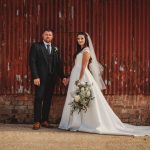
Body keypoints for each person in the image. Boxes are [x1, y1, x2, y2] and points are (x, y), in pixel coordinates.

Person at [59, 32, 150, 136]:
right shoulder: (79, 51)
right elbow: (76, 67)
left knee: (82, 98)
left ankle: (83, 122)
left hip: (82, 76)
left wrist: (79, 80)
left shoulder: (86, 50)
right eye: (78, 38)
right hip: (76, 74)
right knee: (74, 98)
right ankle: (75, 122)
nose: (79, 40)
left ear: (86, 40)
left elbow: (83, 68)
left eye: (82, 38)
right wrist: (70, 78)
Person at [29, 29, 67, 130]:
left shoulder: (55, 48)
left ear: (52, 37)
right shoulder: (36, 46)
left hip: (51, 79)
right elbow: (32, 62)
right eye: (46, 34)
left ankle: (44, 120)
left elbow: (59, 64)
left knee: (48, 99)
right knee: (39, 98)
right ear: (43, 35)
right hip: (40, 79)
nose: (48, 36)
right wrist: (35, 76)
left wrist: (62, 76)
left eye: (50, 35)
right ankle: (37, 121)